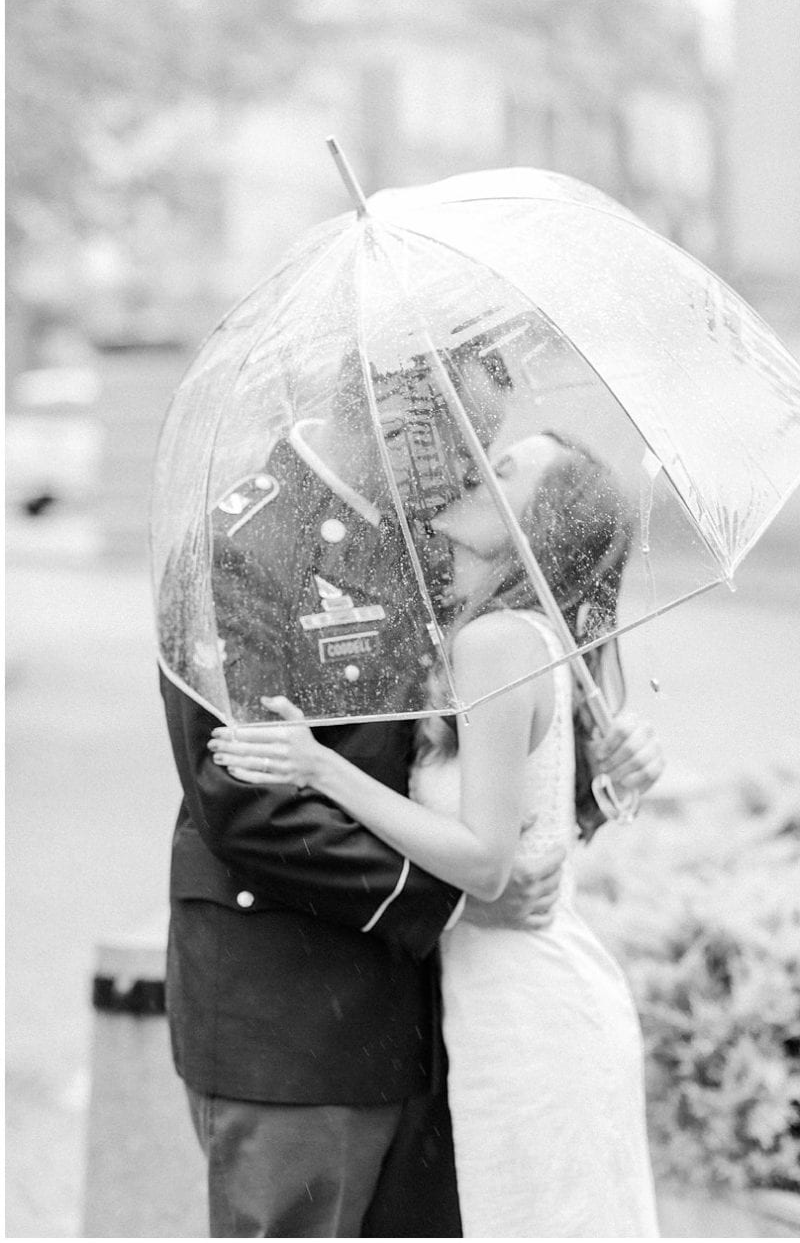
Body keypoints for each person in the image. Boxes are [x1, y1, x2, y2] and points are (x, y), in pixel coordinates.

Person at [212, 430, 664, 1235]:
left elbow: (488, 864)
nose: (475, 465)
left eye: (505, 468)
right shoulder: (504, 633)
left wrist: (319, 767)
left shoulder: (495, 643)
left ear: (541, 522)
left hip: (527, 1007)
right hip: (498, 994)